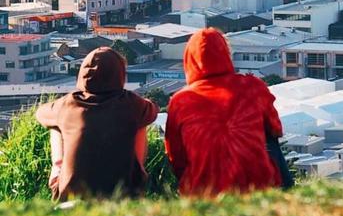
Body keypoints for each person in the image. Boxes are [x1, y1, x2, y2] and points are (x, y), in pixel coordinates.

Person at [165, 28, 285, 196]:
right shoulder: (252, 87)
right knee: (269, 138)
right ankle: (287, 191)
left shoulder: (181, 101)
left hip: (203, 190)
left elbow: (176, 156)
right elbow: (276, 129)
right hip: (256, 185)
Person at [36, 46, 158, 201]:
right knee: (140, 122)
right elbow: (152, 111)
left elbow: (41, 113)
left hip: (71, 193)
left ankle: (59, 171)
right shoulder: (133, 104)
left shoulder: (68, 104)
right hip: (125, 193)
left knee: (56, 125)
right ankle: (138, 173)